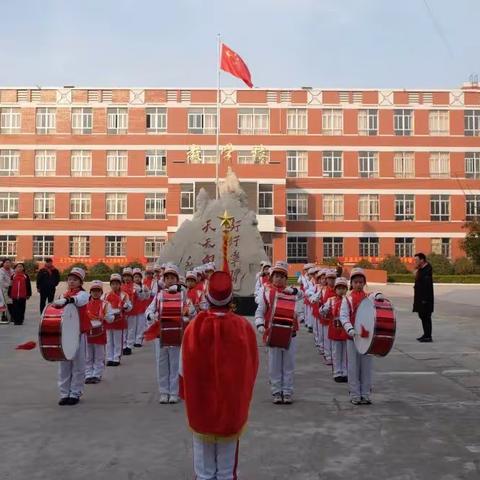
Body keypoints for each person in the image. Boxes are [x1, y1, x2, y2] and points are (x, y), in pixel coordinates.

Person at [180, 270, 259, 480]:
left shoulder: (194, 326)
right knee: (226, 469)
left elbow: (182, 367)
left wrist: (186, 393)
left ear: (207, 298)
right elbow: (253, 366)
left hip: (200, 404)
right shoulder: (243, 326)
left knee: (203, 469)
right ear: (231, 298)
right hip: (231, 404)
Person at [255, 261, 303, 404]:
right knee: (274, 364)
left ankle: (287, 391)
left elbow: (302, 295)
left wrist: (294, 292)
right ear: (271, 277)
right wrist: (260, 324)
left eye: (282, 276)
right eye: (277, 275)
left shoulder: (291, 291)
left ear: (286, 278)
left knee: (288, 364)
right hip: (273, 332)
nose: (279, 279)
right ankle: (276, 391)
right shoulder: (266, 291)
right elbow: (260, 310)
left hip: (290, 333)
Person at [145, 264, 191, 404]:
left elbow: (191, 311)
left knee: (175, 363)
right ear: (163, 280)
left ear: (177, 280)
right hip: (161, 334)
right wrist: (151, 316)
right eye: (167, 278)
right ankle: (164, 392)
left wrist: (186, 316)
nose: (170, 280)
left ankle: (174, 392)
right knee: (162, 363)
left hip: (177, 334)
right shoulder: (159, 295)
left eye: (172, 278)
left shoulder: (183, 295)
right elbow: (149, 310)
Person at [52, 267, 90, 406]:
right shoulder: (63, 295)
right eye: (70, 279)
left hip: (79, 333)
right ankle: (64, 393)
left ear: (80, 282)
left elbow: (77, 300)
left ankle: (75, 393)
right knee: (64, 365)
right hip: (66, 335)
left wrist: (67, 300)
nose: (71, 282)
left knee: (78, 365)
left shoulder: (83, 295)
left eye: (75, 280)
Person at [339, 267, 373, 405]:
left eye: (361, 282)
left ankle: (365, 393)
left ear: (364, 283)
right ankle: (354, 394)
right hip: (352, 338)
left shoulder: (369, 298)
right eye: (356, 282)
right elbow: (343, 316)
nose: (358, 284)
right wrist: (350, 329)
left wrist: (379, 296)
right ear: (351, 283)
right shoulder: (347, 300)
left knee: (366, 367)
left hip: (367, 339)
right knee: (353, 366)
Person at [85, 280, 114, 384]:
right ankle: (88, 374)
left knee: (99, 355)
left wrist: (105, 316)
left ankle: (97, 374)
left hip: (100, 333)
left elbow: (111, 319)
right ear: (90, 292)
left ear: (101, 292)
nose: (95, 293)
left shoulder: (106, 304)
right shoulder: (85, 304)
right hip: (87, 333)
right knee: (88, 356)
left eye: (98, 291)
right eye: (93, 291)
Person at [321, 277, 349, 382]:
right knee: (336, 352)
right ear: (335, 289)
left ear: (347, 289)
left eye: (343, 288)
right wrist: (324, 309)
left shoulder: (348, 300)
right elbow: (322, 311)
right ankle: (337, 372)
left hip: (345, 329)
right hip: (335, 328)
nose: (341, 290)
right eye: (339, 288)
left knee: (345, 352)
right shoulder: (331, 300)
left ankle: (345, 372)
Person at [104, 273, 132, 366]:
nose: (115, 286)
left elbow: (130, 307)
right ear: (110, 285)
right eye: (113, 284)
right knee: (109, 341)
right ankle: (109, 358)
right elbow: (102, 305)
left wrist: (126, 306)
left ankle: (116, 358)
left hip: (119, 319)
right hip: (108, 320)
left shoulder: (124, 295)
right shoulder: (105, 295)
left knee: (117, 340)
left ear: (120, 284)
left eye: (117, 284)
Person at [413, 252, 434, 343]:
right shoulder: (421, 269)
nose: (415, 261)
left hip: (425, 299)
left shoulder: (427, 270)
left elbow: (427, 286)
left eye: (417, 260)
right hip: (420, 298)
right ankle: (425, 334)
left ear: (422, 260)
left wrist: (424, 300)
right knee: (422, 316)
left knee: (426, 317)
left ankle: (428, 336)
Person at [0, 258, 13, 323]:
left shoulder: (12, 270)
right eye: (6, 262)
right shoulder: (1, 271)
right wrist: (9, 285)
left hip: (11, 290)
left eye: (9, 262)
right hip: (3, 290)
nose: (8, 264)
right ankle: (3, 316)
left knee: (10, 303)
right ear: (3, 263)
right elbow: (1, 281)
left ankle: (11, 316)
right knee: (3, 303)